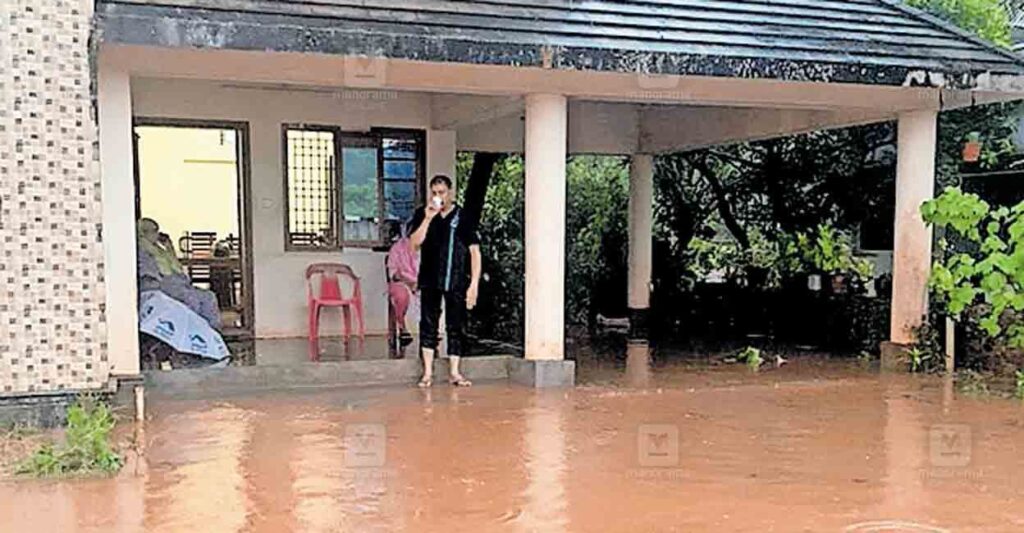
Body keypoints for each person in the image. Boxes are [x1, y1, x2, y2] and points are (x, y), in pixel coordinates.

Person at [409, 175, 482, 387]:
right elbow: (414, 244)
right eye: (434, 192)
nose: (437, 196)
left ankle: (455, 372)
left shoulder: (463, 217)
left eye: (441, 192)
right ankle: (427, 372)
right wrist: (427, 218)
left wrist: (474, 284)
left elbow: (475, 252)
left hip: (455, 278)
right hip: (430, 278)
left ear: (450, 193)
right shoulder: (422, 214)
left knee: (455, 324)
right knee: (428, 323)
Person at [137, 218, 221, 329]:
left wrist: (170, 248)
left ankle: (211, 330)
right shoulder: (141, 251)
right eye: (154, 230)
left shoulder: (160, 250)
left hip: (177, 284)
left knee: (209, 297)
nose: (158, 234)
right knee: (191, 299)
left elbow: (177, 268)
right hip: (161, 286)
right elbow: (149, 276)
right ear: (144, 232)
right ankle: (193, 329)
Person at [387, 220, 418, 346]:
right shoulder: (398, 248)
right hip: (402, 282)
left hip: (423, 284)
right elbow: (394, 273)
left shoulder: (432, 247)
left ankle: (431, 332)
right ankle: (403, 328)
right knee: (401, 295)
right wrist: (409, 283)